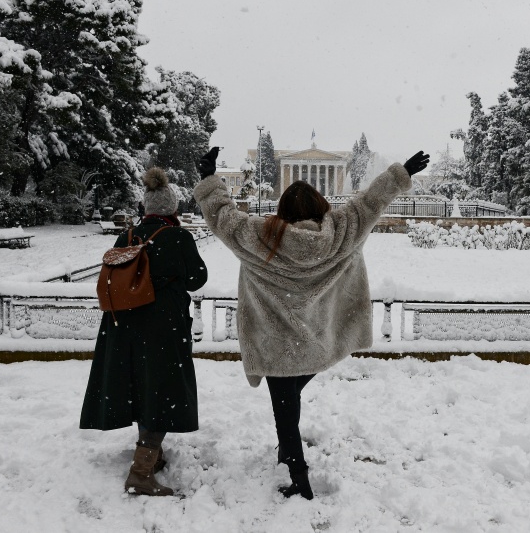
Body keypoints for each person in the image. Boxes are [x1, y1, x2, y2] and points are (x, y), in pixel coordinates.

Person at [193, 146, 430, 500]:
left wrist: (209, 179)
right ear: (321, 207)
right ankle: (287, 454)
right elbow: (369, 204)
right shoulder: (341, 234)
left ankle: (299, 478)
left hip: (275, 345)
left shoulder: (260, 238)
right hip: (315, 343)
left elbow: (222, 217)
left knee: (284, 412)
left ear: (283, 209)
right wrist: (400, 174)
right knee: (288, 402)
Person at [80, 167, 208, 496]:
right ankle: (140, 471)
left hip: (123, 328)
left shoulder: (126, 237)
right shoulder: (178, 237)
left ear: (145, 208)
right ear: (172, 210)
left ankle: (154, 453)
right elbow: (197, 279)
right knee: (161, 392)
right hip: (162, 329)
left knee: (139, 388)